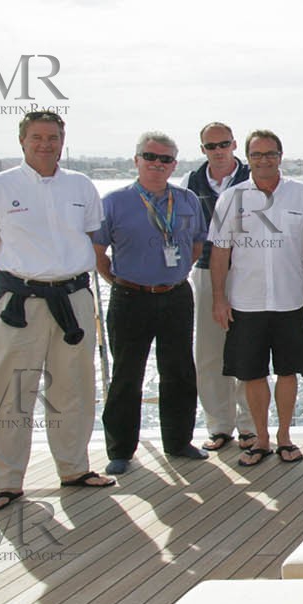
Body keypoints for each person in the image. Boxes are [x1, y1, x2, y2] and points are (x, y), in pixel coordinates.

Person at [0, 111, 112, 512]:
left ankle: (74, 468)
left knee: (74, 389)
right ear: (22, 141)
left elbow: (86, 237)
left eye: (52, 137)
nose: (45, 144)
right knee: (10, 394)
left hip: (74, 300)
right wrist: (26, 278)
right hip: (20, 303)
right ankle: (7, 482)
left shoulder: (81, 186)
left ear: (63, 141)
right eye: (37, 137)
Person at [210, 130, 303, 466]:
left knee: (288, 371)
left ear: (281, 156)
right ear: (247, 157)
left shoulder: (302, 196)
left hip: (290, 299)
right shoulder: (230, 199)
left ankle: (285, 438)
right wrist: (219, 299)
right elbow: (220, 253)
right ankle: (261, 439)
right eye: (257, 154)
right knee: (251, 373)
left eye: (270, 153)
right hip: (245, 302)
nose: (264, 160)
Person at [92, 131, 209, 475]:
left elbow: (198, 244)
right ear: (136, 160)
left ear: (174, 164)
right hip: (130, 297)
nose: (157, 164)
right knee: (128, 374)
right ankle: (120, 450)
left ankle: (178, 441)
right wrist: (117, 281)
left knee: (179, 372)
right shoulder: (114, 202)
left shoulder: (187, 200)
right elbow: (98, 253)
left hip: (175, 295)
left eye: (165, 159)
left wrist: (176, 273)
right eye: (150, 157)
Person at [185, 123, 254, 454]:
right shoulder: (192, 183)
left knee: (249, 350)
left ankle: (251, 427)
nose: (218, 150)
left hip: (249, 272)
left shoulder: (254, 177)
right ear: (203, 149)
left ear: (234, 144)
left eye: (224, 144)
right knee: (210, 352)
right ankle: (219, 425)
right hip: (206, 271)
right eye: (211, 146)